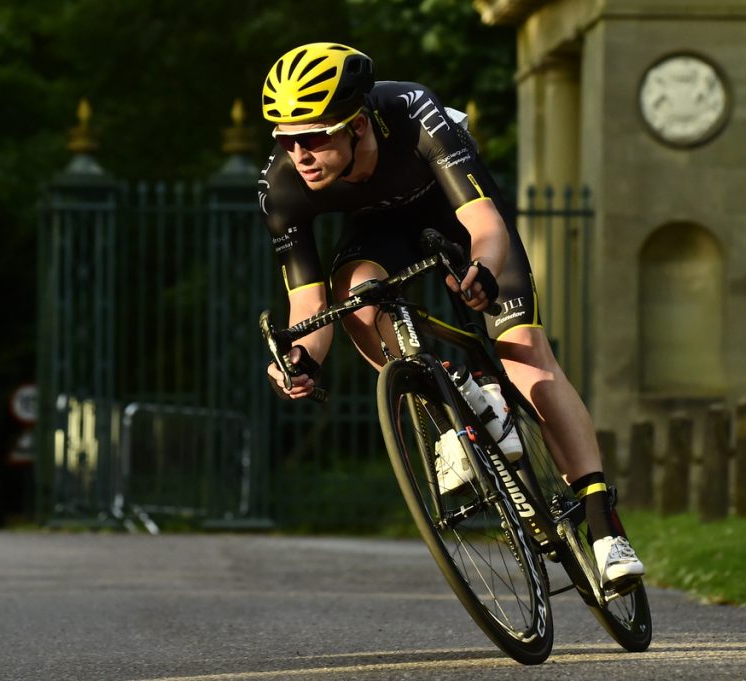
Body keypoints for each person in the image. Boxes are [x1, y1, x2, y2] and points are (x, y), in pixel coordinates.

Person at [258, 42, 643, 588]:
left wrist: (483, 269)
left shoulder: (413, 111)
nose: (300, 153)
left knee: (526, 361)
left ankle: (606, 529)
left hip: (457, 214)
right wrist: (301, 358)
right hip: (380, 235)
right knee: (358, 296)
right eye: (286, 138)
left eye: (316, 135)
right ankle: (449, 401)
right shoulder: (281, 186)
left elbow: (484, 223)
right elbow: (311, 306)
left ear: (359, 125)